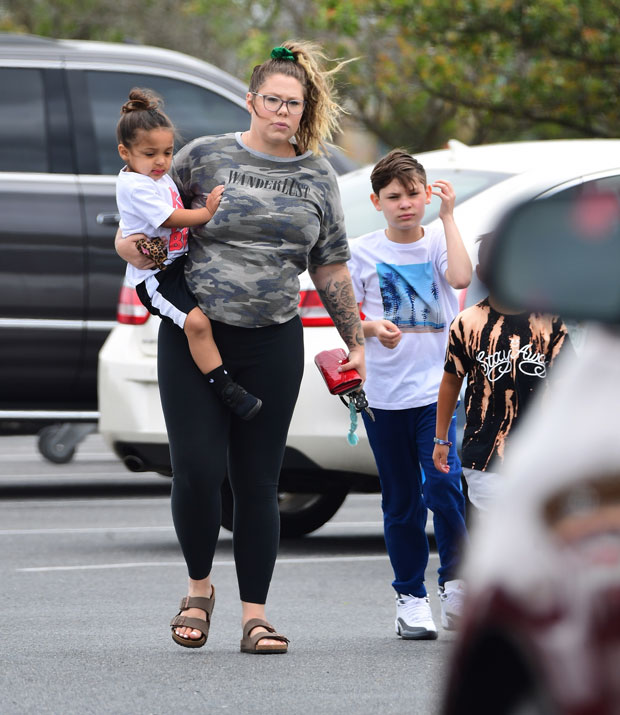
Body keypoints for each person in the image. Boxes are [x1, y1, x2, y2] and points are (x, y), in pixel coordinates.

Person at [115, 42, 365, 653]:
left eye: (294, 103)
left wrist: (353, 339)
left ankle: (256, 615)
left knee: (258, 480)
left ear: (304, 111)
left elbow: (330, 265)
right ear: (252, 101)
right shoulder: (202, 158)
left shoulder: (317, 175)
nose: (283, 111)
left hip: (274, 339)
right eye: (273, 100)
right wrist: (134, 252)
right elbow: (142, 220)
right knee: (198, 470)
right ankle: (199, 591)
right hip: (196, 334)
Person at [348, 148, 472, 639]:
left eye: (413, 194)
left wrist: (449, 215)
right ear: (377, 201)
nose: (405, 204)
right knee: (401, 502)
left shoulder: (440, 240)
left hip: (435, 394)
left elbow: (461, 279)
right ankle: (410, 599)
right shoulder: (361, 251)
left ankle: (456, 584)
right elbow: (345, 320)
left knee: (444, 488)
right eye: (394, 196)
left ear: (426, 194)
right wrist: (372, 327)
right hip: (381, 397)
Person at [115, 88, 262, 420]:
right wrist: (206, 213)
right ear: (125, 152)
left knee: (206, 318)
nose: (161, 162)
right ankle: (226, 389)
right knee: (196, 324)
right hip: (156, 276)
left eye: (167, 152)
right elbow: (170, 218)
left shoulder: (155, 177)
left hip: (178, 262)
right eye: (150, 153)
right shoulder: (134, 186)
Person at [433, 232, 574, 512]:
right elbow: (451, 382)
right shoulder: (467, 323)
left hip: (541, 455)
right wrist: (441, 439)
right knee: (494, 538)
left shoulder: (550, 321)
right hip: (484, 456)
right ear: (482, 274)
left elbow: (568, 385)